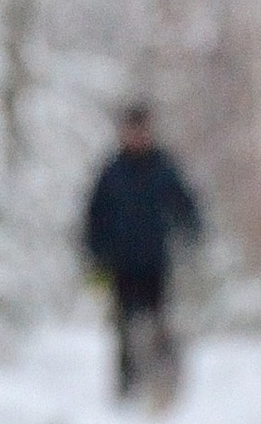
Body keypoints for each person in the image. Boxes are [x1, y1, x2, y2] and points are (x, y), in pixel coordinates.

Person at [82, 102, 204, 404]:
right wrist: (95, 256)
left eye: (141, 130)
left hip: (155, 263)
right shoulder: (111, 172)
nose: (136, 136)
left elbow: (185, 204)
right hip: (120, 265)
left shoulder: (164, 167)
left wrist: (192, 231)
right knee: (124, 326)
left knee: (159, 323)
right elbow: (94, 217)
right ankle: (126, 390)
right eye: (131, 130)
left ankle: (163, 386)